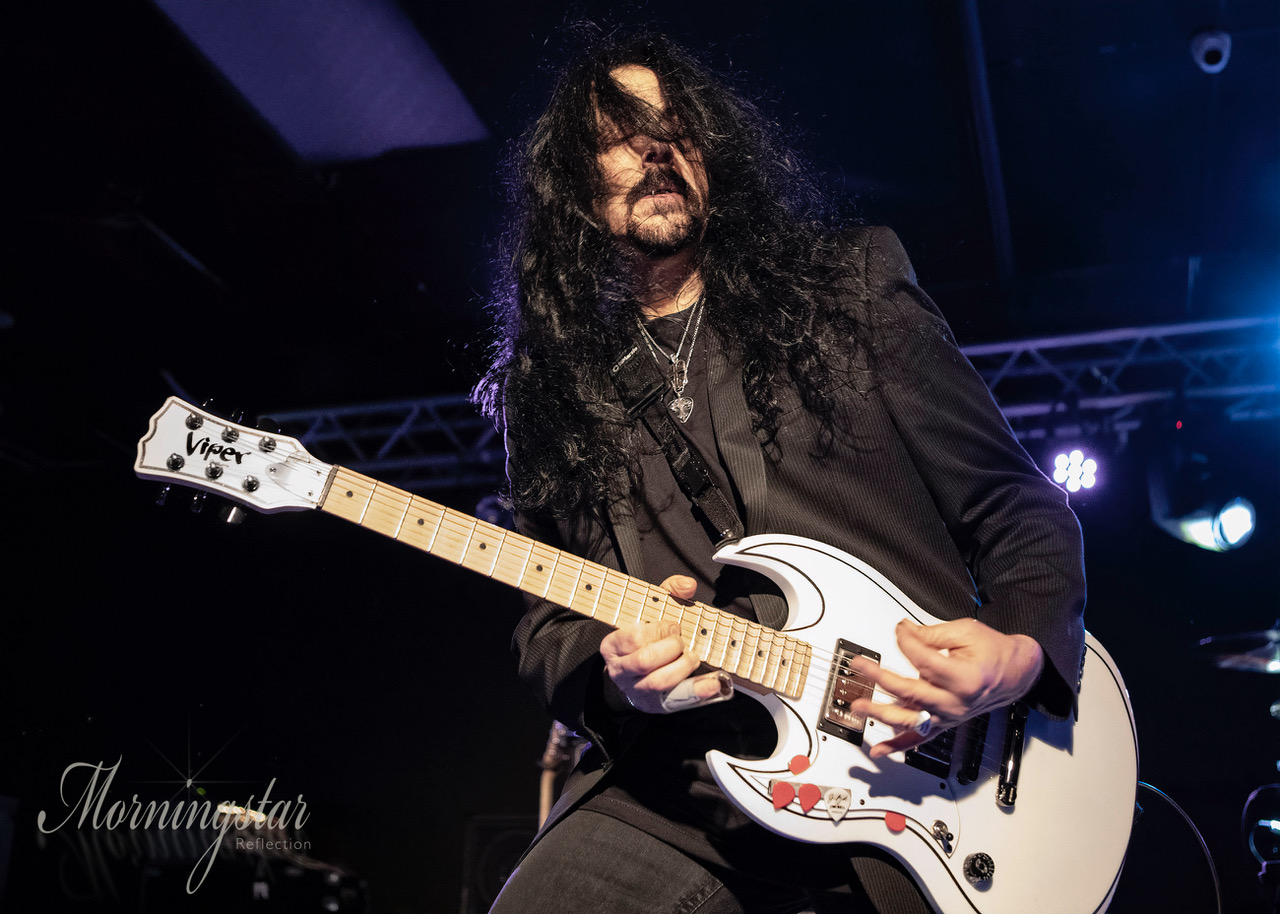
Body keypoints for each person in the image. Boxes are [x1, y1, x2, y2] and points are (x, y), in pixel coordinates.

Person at [474, 29, 1085, 914]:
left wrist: (1020, 649)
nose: (657, 150)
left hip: (903, 768)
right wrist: (613, 672)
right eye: (623, 136)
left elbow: (1016, 507)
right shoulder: (553, 389)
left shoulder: (848, 289)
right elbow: (545, 627)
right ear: (572, 180)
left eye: (677, 129)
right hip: (682, 791)